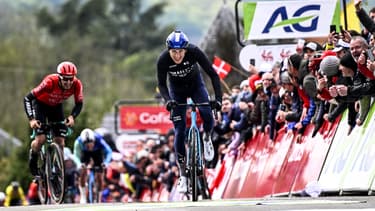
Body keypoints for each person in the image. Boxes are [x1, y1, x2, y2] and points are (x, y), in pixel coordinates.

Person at [156, 30, 222, 193]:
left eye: (180, 52)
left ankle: (206, 137)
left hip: (195, 86)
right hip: (176, 91)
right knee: (179, 131)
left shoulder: (194, 52)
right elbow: (162, 85)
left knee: (207, 113)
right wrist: (168, 101)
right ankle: (183, 175)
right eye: (174, 52)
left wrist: (218, 99)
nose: (177, 56)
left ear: (186, 50)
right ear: (168, 51)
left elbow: (214, 75)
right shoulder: (163, 60)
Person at [23, 61, 83, 176]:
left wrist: (72, 117)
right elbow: (27, 99)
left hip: (55, 106)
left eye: (71, 79)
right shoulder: (49, 82)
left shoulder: (77, 84)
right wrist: (31, 119)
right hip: (40, 105)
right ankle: (34, 158)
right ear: (59, 77)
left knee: (60, 141)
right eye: (65, 79)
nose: (68, 82)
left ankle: (56, 168)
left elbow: (79, 103)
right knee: (41, 139)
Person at [73, 128, 113, 204]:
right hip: (85, 154)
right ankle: (83, 196)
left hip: (97, 153)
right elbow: (75, 156)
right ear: (83, 143)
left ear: (94, 140)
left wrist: (106, 163)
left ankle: (99, 198)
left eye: (91, 144)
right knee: (82, 171)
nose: (90, 147)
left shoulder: (99, 139)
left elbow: (109, 152)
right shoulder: (78, 142)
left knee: (100, 174)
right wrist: (79, 164)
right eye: (87, 145)